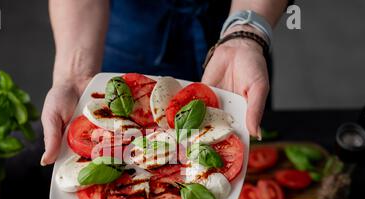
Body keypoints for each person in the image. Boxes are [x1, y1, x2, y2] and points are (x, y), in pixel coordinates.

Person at [40, 0, 288, 166]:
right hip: (128, 35)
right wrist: (73, 77)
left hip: (236, 27)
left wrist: (244, 36)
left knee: (237, 165)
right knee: (124, 166)